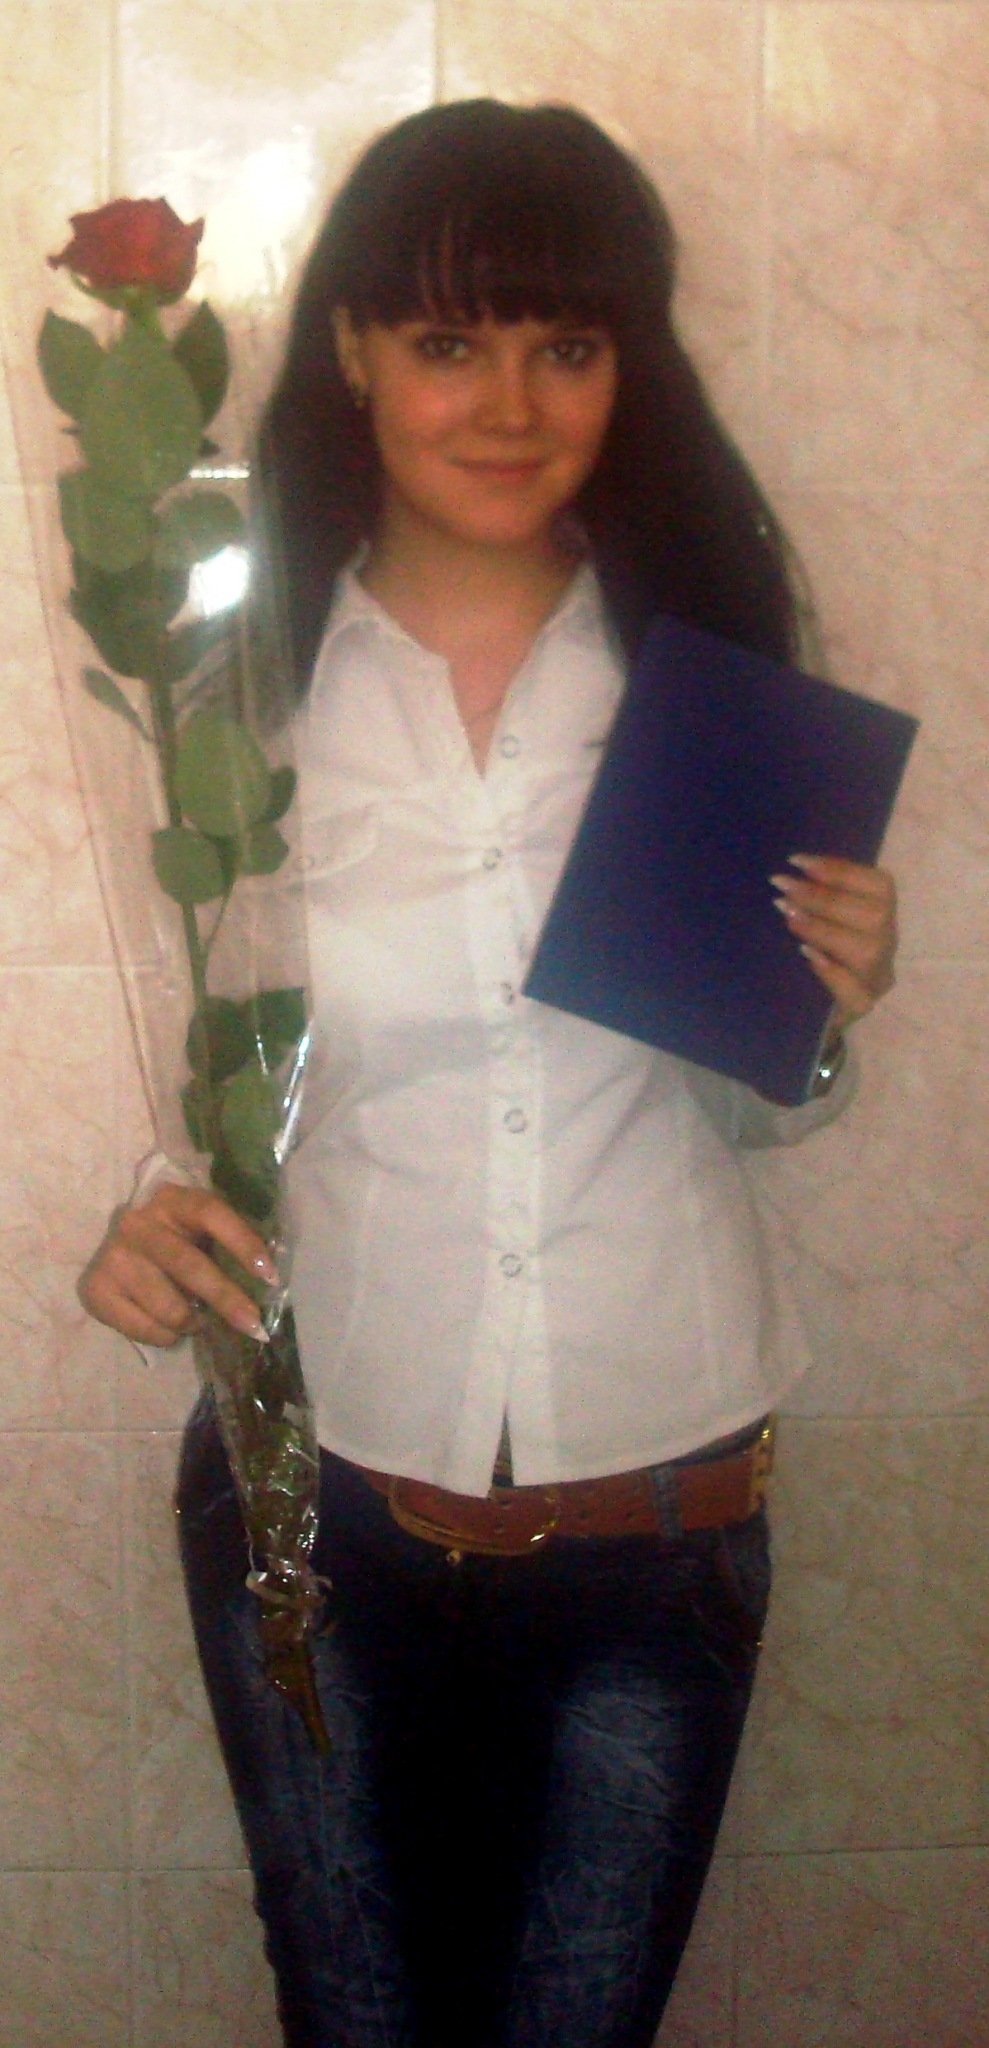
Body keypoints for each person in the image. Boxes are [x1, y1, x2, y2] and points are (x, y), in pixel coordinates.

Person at [80, 101, 897, 2048]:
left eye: (568, 343)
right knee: (352, 2018)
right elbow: (230, 1059)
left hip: (658, 1519)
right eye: (451, 339)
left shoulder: (710, 681)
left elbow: (756, 1111)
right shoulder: (231, 693)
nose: (513, 404)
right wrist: (157, 1222)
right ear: (353, 349)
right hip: (316, 1506)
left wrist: (825, 1009)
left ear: (629, 365)